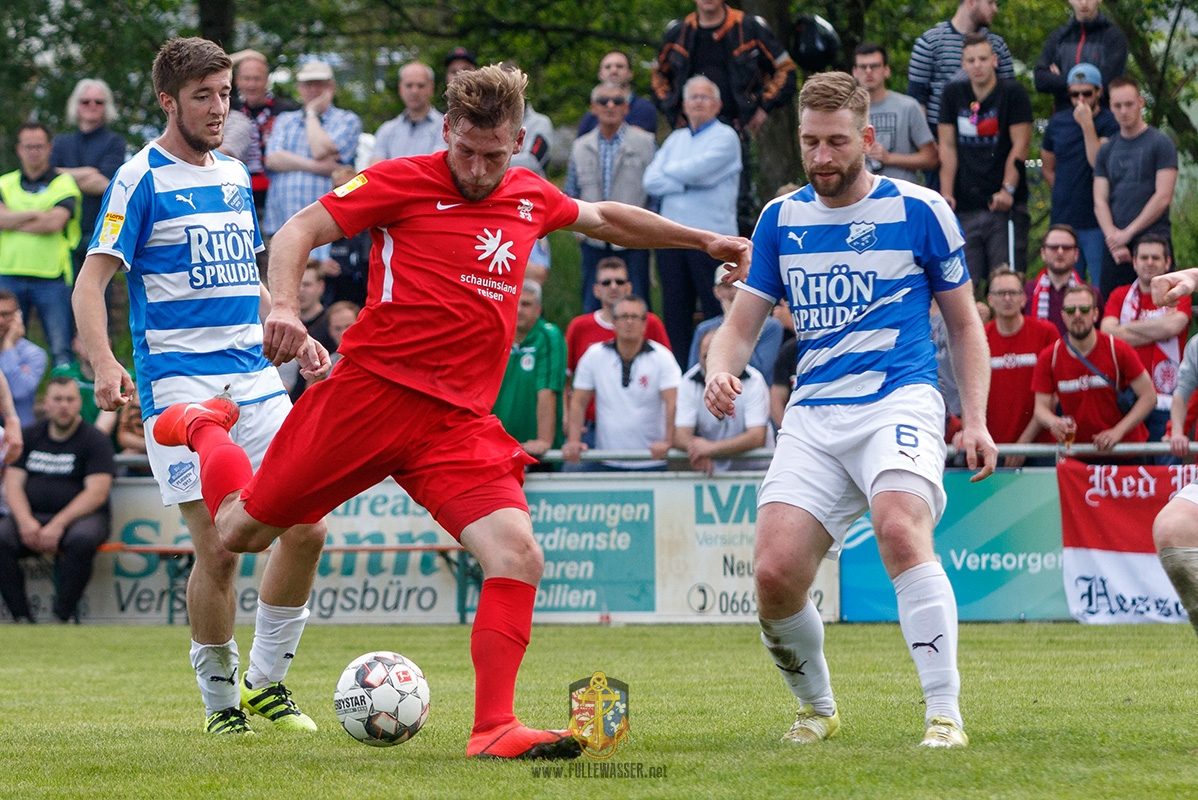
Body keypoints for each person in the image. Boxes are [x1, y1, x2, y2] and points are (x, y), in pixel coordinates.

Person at [142, 64, 750, 759]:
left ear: (518, 141)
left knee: (517, 554)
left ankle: (494, 728)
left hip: (455, 423)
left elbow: (607, 218)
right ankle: (203, 426)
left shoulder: (528, 194)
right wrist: (283, 305)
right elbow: (297, 229)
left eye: (495, 155)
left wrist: (706, 240)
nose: (480, 170)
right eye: (466, 152)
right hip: (367, 397)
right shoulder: (399, 180)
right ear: (446, 130)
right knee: (238, 533)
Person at [703, 72, 997, 748]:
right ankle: (817, 709)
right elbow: (740, 327)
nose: (822, 156)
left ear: (867, 138)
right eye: (810, 142)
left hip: (899, 397)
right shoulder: (780, 219)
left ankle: (943, 715)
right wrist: (722, 369)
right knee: (774, 574)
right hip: (814, 413)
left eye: (836, 142)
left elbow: (965, 325)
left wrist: (976, 419)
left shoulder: (921, 209)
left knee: (899, 528)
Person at [72, 37, 330, 735]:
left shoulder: (236, 175)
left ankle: (266, 683)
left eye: (225, 94)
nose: (219, 109)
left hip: (254, 376)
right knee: (219, 547)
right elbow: (90, 283)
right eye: (202, 97)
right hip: (181, 386)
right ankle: (221, 703)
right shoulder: (139, 178)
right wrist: (103, 363)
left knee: (308, 527)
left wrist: (292, 327)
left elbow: (246, 277)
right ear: (168, 101)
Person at [651, 0, 797, 235]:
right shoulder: (678, 32)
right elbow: (657, 75)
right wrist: (673, 108)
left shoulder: (749, 27)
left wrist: (763, 107)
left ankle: (735, 256)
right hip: (689, 132)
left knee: (740, 205)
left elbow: (786, 69)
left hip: (734, 129)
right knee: (681, 193)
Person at [643, 75, 741, 366]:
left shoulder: (726, 137)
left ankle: (722, 368)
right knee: (675, 312)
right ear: (684, 105)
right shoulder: (676, 139)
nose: (698, 102)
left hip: (713, 240)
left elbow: (701, 171)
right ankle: (680, 374)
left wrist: (673, 175)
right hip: (672, 239)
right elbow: (650, 180)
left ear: (717, 105)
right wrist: (687, 181)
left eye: (704, 97)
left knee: (716, 307)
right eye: (693, 97)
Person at [0, 376, 114, 623]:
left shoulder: (95, 440)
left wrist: (59, 523)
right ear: (46, 403)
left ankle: (61, 616)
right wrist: (25, 522)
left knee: (82, 539)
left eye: (70, 399)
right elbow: (12, 484)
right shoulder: (29, 436)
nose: (64, 405)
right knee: (1, 536)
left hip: (80, 519)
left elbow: (97, 493)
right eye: (58, 399)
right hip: (33, 516)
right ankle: (21, 618)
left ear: (79, 403)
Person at [938, 33, 1032, 283]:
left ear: (995, 61)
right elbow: (946, 146)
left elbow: (1021, 145)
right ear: (963, 64)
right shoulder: (952, 93)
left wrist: (1007, 190)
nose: (977, 65)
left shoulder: (1012, 92)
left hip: (1002, 205)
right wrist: (946, 194)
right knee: (964, 282)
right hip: (965, 205)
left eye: (982, 59)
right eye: (971, 60)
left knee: (1007, 281)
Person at [564, 82, 657, 311]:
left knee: (637, 303)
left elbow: (655, 191)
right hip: (592, 237)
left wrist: (649, 228)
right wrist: (578, 232)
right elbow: (571, 191)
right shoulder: (580, 146)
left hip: (633, 237)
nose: (610, 106)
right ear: (593, 107)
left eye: (617, 101)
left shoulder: (645, 143)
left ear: (626, 108)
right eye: (603, 101)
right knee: (592, 303)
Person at [1032, 284, 1155, 455]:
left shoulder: (1117, 349)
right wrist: (1053, 422)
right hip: (1079, 453)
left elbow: (1149, 396)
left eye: (1084, 309)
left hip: (1124, 451)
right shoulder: (1049, 357)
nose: (1077, 315)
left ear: (1095, 314)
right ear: (1063, 316)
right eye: (1070, 310)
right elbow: (1040, 409)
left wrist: (1117, 431)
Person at [564, 296, 682, 471]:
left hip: (652, 459)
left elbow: (673, 402)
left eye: (635, 317)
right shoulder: (594, 355)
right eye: (623, 316)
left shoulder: (662, 357)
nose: (629, 322)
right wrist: (574, 441)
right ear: (614, 322)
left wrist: (668, 442)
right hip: (606, 459)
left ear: (645, 323)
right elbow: (579, 401)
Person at [263, 59, 362, 264]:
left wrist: (311, 114)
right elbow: (273, 159)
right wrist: (321, 167)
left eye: (320, 84)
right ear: (299, 87)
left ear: (331, 87)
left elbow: (319, 150)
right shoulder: (285, 120)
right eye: (308, 84)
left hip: (327, 228)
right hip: (283, 221)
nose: (314, 90)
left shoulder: (347, 120)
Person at [907, 0, 1015, 186]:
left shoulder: (996, 45)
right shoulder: (930, 42)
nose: (995, 9)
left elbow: (1008, 97)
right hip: (940, 141)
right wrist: (929, 144)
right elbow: (917, 100)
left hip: (987, 144)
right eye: (990, 3)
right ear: (971, 3)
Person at [0, 121, 82, 367]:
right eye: (28, 146)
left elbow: (54, 223)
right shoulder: (5, 183)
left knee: (60, 348)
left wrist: (13, 219)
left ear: (49, 148)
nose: (33, 152)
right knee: (4, 344)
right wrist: (38, 214)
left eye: (39, 146)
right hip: (9, 274)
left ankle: (63, 389)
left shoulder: (64, 183)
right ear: (19, 149)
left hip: (52, 277)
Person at [1093, 77, 1178, 300]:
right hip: (1116, 247)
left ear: (1140, 102)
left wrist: (1128, 234)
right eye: (1117, 105)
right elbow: (1099, 200)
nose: (1123, 111)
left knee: (1161, 305)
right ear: (1110, 106)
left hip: (1153, 241)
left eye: (1129, 104)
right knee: (1113, 306)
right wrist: (1114, 239)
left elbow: (1163, 196)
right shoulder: (1106, 150)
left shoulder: (1161, 143)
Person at [1100, 235, 1188, 451]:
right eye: (1144, 257)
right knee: (1133, 465)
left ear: (1167, 263)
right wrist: (1157, 329)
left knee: (1165, 465)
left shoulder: (1178, 293)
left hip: (1168, 401)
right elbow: (1107, 332)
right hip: (1129, 399)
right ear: (1134, 262)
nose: (1149, 262)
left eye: (1155, 258)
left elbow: (1172, 327)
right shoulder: (1119, 295)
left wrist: (1126, 329)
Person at [1040, 62, 1119, 287]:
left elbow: (1097, 161)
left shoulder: (1109, 122)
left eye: (1087, 93)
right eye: (1075, 94)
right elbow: (1047, 166)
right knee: (1066, 286)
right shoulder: (1058, 122)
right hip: (1064, 218)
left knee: (1099, 285)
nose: (1080, 99)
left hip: (1096, 221)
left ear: (1099, 91)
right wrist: (1061, 191)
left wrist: (1087, 124)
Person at [50, 79, 128, 277]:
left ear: (106, 107)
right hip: (63, 235)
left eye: (98, 102)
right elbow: (49, 179)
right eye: (85, 101)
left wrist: (63, 176)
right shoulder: (61, 142)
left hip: (99, 233)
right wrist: (89, 172)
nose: (92, 105)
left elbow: (103, 184)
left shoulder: (115, 142)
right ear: (76, 105)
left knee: (97, 293)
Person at [984, 269, 1059, 467]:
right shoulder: (981, 338)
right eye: (1001, 293)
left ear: (1024, 299)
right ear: (990, 300)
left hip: (1041, 447)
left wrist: (1024, 443)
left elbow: (1054, 394)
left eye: (1013, 292)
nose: (1007, 298)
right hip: (993, 447)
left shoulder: (1046, 332)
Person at [676, 327, 771, 474]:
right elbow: (681, 436)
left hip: (756, 470)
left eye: (716, 356)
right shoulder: (689, 381)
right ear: (698, 356)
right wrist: (698, 450)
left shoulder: (754, 380)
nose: (711, 363)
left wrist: (710, 449)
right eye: (706, 357)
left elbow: (757, 437)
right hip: (712, 470)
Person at [491, 280, 566, 463]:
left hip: (535, 451)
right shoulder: (495, 334)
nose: (518, 310)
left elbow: (547, 390)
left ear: (539, 309)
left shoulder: (548, 336)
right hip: (496, 446)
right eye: (515, 303)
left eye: (526, 304)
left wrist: (543, 440)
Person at [852, 43, 938, 184]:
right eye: (863, 67)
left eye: (874, 66)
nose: (868, 71)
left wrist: (889, 158)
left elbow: (931, 158)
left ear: (886, 70)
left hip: (900, 191)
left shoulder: (908, 107)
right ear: (854, 72)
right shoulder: (847, 111)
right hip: (861, 193)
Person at [229, 49, 300, 214]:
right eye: (246, 78)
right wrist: (246, 54)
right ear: (237, 81)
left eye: (257, 79)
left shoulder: (287, 110)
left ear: (267, 80)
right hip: (239, 190)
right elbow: (203, 74)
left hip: (278, 191)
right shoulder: (229, 108)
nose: (251, 85)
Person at [688, 263, 782, 376]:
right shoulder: (703, 329)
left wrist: (734, 322)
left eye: (740, 285)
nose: (734, 291)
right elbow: (693, 373)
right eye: (727, 286)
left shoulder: (771, 327)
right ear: (717, 292)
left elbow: (762, 371)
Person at [1034, 0, 1128, 112]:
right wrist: (1090, 80)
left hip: (1102, 115)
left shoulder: (1114, 37)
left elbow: (1109, 83)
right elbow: (1040, 80)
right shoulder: (1059, 37)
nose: (1084, 3)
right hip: (1063, 114)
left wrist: (1060, 79)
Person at [371, 62, 448, 163]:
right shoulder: (387, 130)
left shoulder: (445, 127)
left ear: (431, 87)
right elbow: (375, 166)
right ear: (400, 88)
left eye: (421, 85)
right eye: (409, 85)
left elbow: (437, 165)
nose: (414, 91)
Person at [1024, 224, 1087, 336]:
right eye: (1053, 247)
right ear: (1043, 253)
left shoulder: (1089, 294)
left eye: (1066, 248)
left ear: (1076, 254)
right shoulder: (1026, 292)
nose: (1060, 252)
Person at [576, 51, 658, 136]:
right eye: (608, 67)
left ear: (630, 73)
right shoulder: (590, 117)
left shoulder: (644, 108)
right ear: (599, 74)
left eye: (620, 66)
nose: (614, 70)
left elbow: (636, 140)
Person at [0, 290, 48, 427]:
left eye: (5, 314)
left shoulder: (35, 354)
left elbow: (18, 391)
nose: (0, 321)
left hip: (21, 431)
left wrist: (8, 347)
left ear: (18, 316)